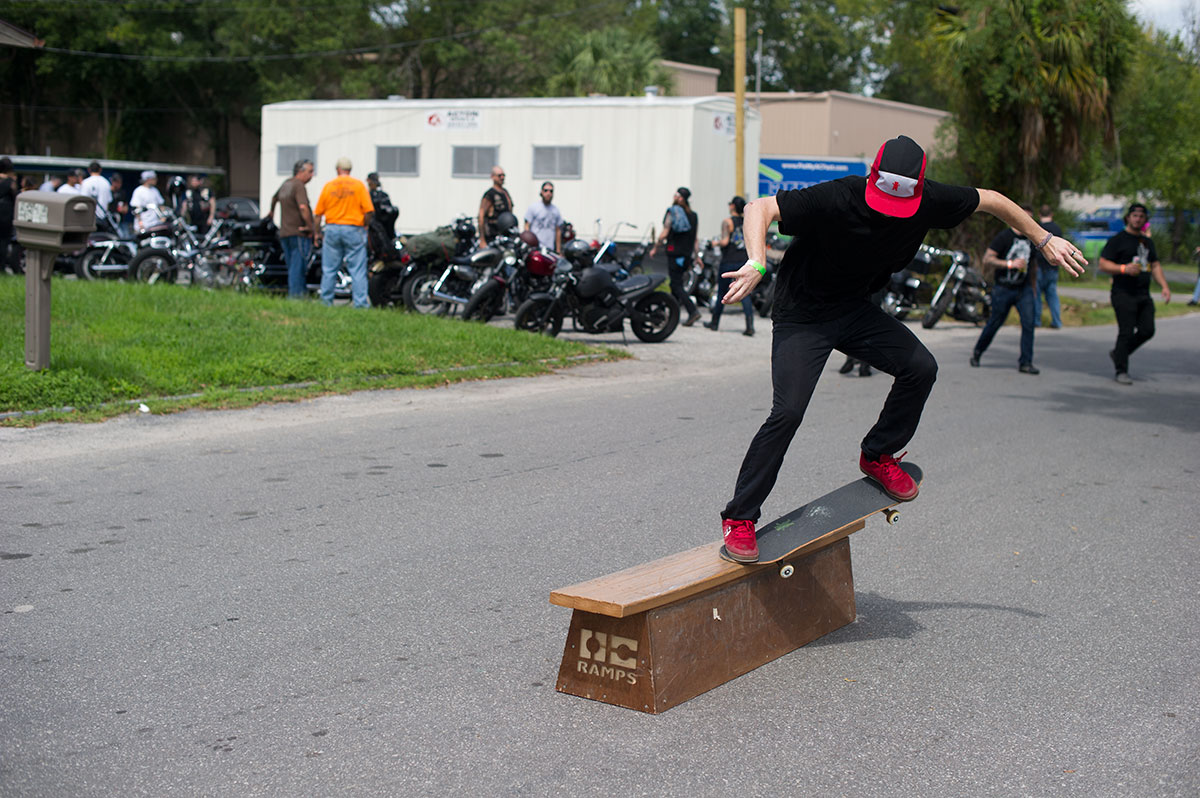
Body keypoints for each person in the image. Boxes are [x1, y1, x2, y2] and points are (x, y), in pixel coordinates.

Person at [716, 134, 1086, 563]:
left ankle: (877, 454)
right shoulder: (839, 195)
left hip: (855, 309)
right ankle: (740, 517)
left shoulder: (932, 199)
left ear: (919, 187)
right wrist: (757, 261)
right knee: (789, 411)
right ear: (873, 179)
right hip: (803, 313)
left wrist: (1043, 239)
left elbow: (994, 200)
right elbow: (758, 208)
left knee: (920, 368)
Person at [1098, 203, 1171, 385]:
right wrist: (1123, 268)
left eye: (1141, 217)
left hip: (1143, 293)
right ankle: (1121, 370)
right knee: (1126, 331)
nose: (1138, 219)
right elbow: (1103, 264)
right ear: (1128, 218)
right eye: (1135, 216)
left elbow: (1155, 265)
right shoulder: (1118, 240)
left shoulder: (1147, 242)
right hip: (1123, 293)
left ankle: (1118, 353)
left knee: (1148, 330)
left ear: (1145, 220)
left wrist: (1164, 286)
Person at [969, 204, 1042, 374]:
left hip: (1023, 289)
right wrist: (1009, 264)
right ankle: (978, 351)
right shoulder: (1004, 237)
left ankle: (1026, 362)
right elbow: (988, 259)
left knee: (1029, 323)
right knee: (995, 322)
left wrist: (1034, 289)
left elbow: (1034, 266)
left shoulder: (1032, 240)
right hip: (1003, 288)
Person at [313, 156, 374, 308]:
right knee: (358, 269)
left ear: (337, 169)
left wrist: (317, 233)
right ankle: (360, 304)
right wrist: (364, 225)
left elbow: (318, 214)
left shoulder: (329, 186)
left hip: (332, 228)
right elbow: (369, 211)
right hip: (353, 228)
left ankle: (326, 302)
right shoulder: (358, 186)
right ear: (349, 170)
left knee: (329, 269)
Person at [650, 187, 701, 327]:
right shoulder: (694, 216)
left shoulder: (672, 212)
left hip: (674, 253)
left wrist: (655, 247)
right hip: (686, 255)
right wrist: (697, 257)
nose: (674, 196)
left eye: (676, 195)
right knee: (675, 285)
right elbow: (695, 238)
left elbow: (665, 232)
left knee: (676, 285)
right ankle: (671, 315)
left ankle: (692, 310)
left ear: (680, 198)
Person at [705, 196, 754, 336]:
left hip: (728, 261)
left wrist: (714, 243)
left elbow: (725, 241)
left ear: (732, 206)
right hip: (743, 261)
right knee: (744, 293)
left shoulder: (727, 222)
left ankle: (714, 323)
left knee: (722, 292)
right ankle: (750, 326)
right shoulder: (747, 222)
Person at [268, 158, 317, 298]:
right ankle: (296, 297)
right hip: (298, 232)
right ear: (301, 171)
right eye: (310, 171)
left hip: (284, 233)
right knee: (298, 267)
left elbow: (273, 198)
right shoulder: (298, 185)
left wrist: (272, 212)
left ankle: (298, 295)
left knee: (292, 267)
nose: (312, 175)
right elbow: (303, 208)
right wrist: (309, 226)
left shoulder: (286, 184)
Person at [1031, 204, 1064, 327]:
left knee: (1037, 295)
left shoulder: (1037, 228)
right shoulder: (1057, 229)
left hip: (1038, 266)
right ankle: (1057, 321)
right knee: (1052, 295)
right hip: (1053, 266)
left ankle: (1036, 321)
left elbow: (1033, 249)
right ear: (1052, 214)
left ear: (1039, 214)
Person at [478, 165, 513, 247]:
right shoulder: (490, 194)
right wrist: (482, 240)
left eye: (503, 175)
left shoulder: (505, 192)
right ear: (492, 177)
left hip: (505, 236)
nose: (502, 177)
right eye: (499, 175)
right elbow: (481, 216)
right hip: (492, 237)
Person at [523, 181, 564, 251]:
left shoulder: (555, 210)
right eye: (546, 191)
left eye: (551, 191)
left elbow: (558, 231)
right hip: (535, 248)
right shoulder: (533, 207)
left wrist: (558, 250)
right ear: (541, 192)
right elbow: (527, 227)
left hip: (549, 249)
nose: (548, 193)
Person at [79, 161, 113, 228]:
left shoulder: (85, 183)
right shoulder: (106, 183)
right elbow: (109, 202)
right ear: (100, 169)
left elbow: (83, 201)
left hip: (88, 219)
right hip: (103, 219)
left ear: (89, 169)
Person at [0, 157, 15, 274]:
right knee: (4, 242)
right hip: (6, 215)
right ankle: (1, 267)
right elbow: (16, 197)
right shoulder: (10, 182)